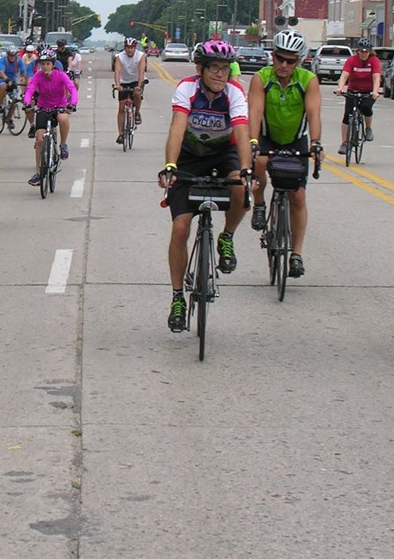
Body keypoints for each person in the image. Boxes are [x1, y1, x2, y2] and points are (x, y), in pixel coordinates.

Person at [157, 40, 252, 333]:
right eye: (214, 68)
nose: (220, 74)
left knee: (240, 186)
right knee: (181, 228)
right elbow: (177, 125)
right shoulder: (187, 89)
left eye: (225, 69)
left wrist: (247, 170)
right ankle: (177, 297)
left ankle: (227, 236)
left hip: (224, 154)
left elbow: (241, 129)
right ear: (200, 69)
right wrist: (171, 165)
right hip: (189, 155)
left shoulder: (234, 93)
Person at [246, 30, 323, 279]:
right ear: (273, 56)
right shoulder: (261, 78)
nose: (283, 65)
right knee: (259, 159)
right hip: (268, 135)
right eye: (279, 58)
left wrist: (316, 143)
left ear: (298, 61)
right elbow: (255, 111)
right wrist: (254, 140)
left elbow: (314, 114)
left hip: (295, 138)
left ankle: (297, 254)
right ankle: (259, 204)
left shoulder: (308, 80)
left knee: (297, 198)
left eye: (290, 61)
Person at [22, 48, 79, 186]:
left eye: (48, 63)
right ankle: (38, 172)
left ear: (53, 64)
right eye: (43, 64)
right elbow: (30, 89)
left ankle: (63, 144)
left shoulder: (61, 75)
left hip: (59, 106)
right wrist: (27, 102)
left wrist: (72, 103)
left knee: (63, 118)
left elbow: (71, 88)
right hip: (43, 107)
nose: (45, 66)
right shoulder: (38, 76)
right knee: (40, 140)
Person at [336, 38, 382, 154]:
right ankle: (344, 143)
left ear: (370, 52)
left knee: (366, 108)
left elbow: (376, 78)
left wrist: (375, 91)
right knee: (347, 115)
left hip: (368, 92)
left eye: (366, 52)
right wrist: (340, 88)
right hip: (353, 90)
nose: (363, 54)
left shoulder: (374, 60)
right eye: (361, 51)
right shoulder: (352, 60)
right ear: (358, 51)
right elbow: (344, 75)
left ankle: (368, 128)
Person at [113, 35, 147, 141]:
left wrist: (139, 86)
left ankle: (137, 112)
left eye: (131, 47)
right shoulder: (120, 56)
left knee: (137, 94)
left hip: (136, 80)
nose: (129, 50)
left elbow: (141, 72)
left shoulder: (140, 56)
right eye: (127, 47)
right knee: (121, 108)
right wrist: (118, 85)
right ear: (125, 47)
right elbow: (117, 72)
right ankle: (121, 134)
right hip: (123, 82)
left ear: (135, 48)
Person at [0, 46, 23, 118]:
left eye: (14, 55)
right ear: (7, 55)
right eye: (10, 55)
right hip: (1, 78)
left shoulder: (19, 61)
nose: (12, 57)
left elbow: (24, 71)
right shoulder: (3, 60)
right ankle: (0, 105)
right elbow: (1, 72)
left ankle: (9, 119)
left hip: (12, 79)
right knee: (3, 86)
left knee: (14, 99)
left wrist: (25, 79)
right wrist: (7, 80)